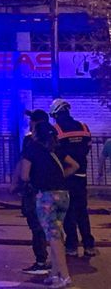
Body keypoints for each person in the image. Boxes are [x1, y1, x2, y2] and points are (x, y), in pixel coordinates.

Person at [20, 120, 80, 288]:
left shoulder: (31, 149)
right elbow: (75, 165)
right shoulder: (57, 148)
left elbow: (24, 176)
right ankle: (54, 274)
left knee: (53, 237)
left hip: (46, 196)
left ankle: (65, 276)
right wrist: (60, 177)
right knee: (57, 235)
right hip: (63, 195)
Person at [49, 99, 96, 257]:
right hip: (81, 175)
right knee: (82, 210)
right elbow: (87, 149)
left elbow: (55, 153)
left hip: (66, 176)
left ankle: (72, 246)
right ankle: (89, 245)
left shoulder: (56, 130)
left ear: (56, 114)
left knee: (68, 212)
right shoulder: (84, 127)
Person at [16, 109, 51, 276]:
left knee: (36, 226)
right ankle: (57, 260)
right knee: (53, 226)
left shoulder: (30, 141)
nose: (29, 123)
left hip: (34, 189)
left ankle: (41, 261)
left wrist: (17, 182)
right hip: (53, 189)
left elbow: (24, 165)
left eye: (32, 121)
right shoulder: (55, 140)